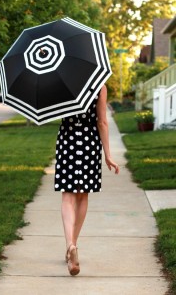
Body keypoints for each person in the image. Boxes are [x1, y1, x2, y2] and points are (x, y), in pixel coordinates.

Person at [54, 84, 119, 276]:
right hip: (89, 142)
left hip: (67, 140)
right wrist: (107, 154)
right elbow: (102, 122)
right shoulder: (99, 86)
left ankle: (69, 245)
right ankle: (73, 244)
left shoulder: (63, 83)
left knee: (67, 196)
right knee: (82, 196)